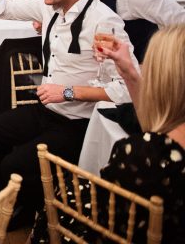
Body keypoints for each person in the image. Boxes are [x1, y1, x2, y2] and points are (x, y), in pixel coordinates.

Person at [0, 0, 133, 230]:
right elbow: (1, 8)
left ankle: (31, 207)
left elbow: (125, 88)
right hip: (47, 110)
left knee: (13, 165)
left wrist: (68, 92)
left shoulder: (103, 22)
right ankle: (20, 206)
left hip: (78, 123)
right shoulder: (49, 7)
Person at [32, 26, 185, 242]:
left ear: (162, 81)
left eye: (147, 67)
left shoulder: (141, 154)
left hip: (125, 229)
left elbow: (110, 226)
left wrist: (68, 92)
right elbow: (155, 127)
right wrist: (130, 74)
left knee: (62, 194)